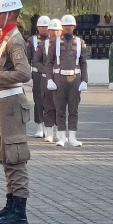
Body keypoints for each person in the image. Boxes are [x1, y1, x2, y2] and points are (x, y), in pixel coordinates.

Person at [0, 0, 31, 224]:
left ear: (10, 13)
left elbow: (24, 73)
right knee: (5, 155)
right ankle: (11, 202)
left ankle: (19, 210)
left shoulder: (15, 40)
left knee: (15, 155)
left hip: (12, 103)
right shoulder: (6, 38)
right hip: (3, 103)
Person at [46, 15, 88, 147]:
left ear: (74, 27)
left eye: (70, 26)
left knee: (73, 108)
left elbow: (83, 63)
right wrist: (49, 79)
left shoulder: (80, 42)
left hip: (74, 78)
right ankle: (61, 137)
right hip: (59, 78)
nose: (68, 28)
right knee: (60, 108)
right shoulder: (55, 42)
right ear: (62, 27)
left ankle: (73, 137)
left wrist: (85, 80)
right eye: (65, 26)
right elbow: (49, 63)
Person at [34, 19, 62, 143]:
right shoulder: (42, 45)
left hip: (61, 79)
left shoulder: (67, 44)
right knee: (48, 105)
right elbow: (36, 61)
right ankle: (49, 132)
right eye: (52, 30)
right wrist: (46, 70)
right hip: (46, 79)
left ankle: (59, 132)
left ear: (61, 31)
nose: (54, 33)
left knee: (60, 106)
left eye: (57, 30)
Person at [27, 15, 50, 138]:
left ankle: (49, 125)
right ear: (38, 28)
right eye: (42, 27)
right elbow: (28, 59)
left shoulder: (54, 40)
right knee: (38, 100)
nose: (45, 29)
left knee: (50, 100)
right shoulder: (32, 41)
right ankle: (40, 125)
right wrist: (29, 76)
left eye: (46, 27)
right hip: (37, 74)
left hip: (51, 74)